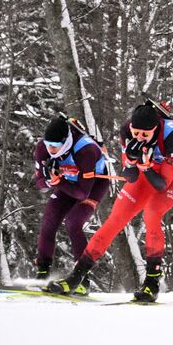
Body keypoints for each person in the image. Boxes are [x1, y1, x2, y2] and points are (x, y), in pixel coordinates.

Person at [47, 100, 173, 303]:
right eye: (136, 133)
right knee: (114, 220)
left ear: (155, 129)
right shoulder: (126, 131)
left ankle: (152, 283)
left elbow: (162, 184)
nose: (139, 138)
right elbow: (130, 177)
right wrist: (133, 162)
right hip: (147, 172)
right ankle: (76, 277)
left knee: (152, 213)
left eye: (145, 135)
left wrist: (145, 166)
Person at [32, 115, 111, 292]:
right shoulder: (42, 149)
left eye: (55, 146)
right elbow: (38, 184)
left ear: (65, 141)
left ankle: (82, 279)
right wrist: (47, 180)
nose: (51, 149)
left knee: (73, 223)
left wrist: (57, 181)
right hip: (68, 184)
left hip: (93, 185)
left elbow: (83, 192)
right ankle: (42, 273)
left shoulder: (86, 150)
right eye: (48, 144)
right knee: (49, 222)